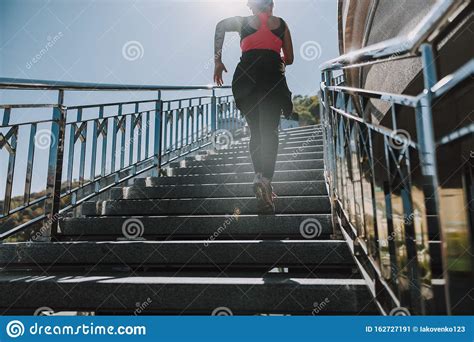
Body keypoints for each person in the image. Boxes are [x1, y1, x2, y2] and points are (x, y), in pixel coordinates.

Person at [213, 0, 294, 214]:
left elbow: (220, 26)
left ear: (253, 6)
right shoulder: (282, 24)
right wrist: (276, 59)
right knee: (270, 131)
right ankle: (266, 179)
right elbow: (291, 58)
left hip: (246, 77)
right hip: (272, 77)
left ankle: (258, 175)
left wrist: (217, 62)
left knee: (255, 132)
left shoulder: (244, 22)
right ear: (271, 4)